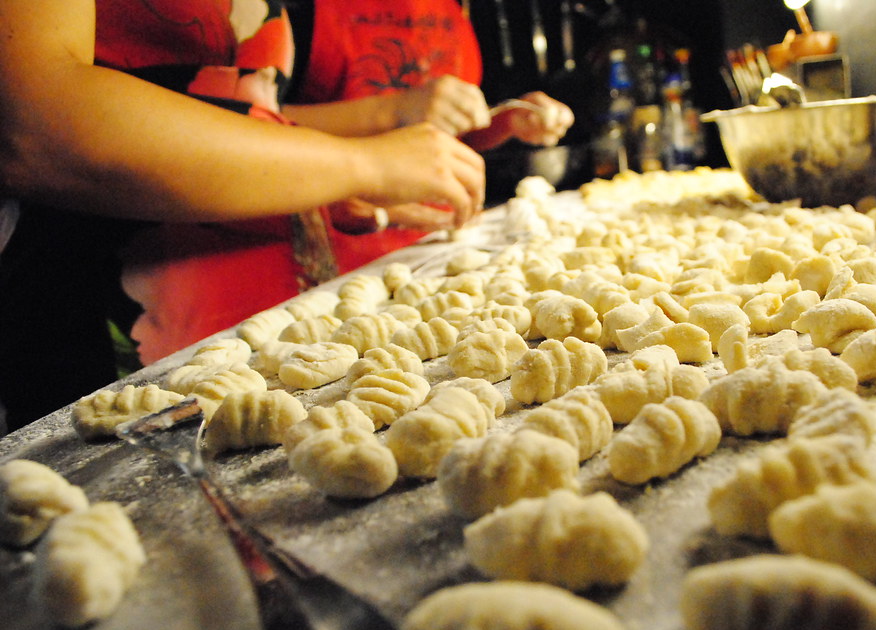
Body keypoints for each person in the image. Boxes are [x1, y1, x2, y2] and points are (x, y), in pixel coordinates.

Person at [0, 0, 486, 433]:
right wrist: (363, 162)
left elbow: (247, 110)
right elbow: (32, 122)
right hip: (110, 316)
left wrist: (332, 179)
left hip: (260, 338)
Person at [119, 0, 575, 367]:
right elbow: (248, 119)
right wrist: (387, 119)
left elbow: (431, 136)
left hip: (424, 253)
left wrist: (496, 124)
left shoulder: (455, 10)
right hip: (281, 246)